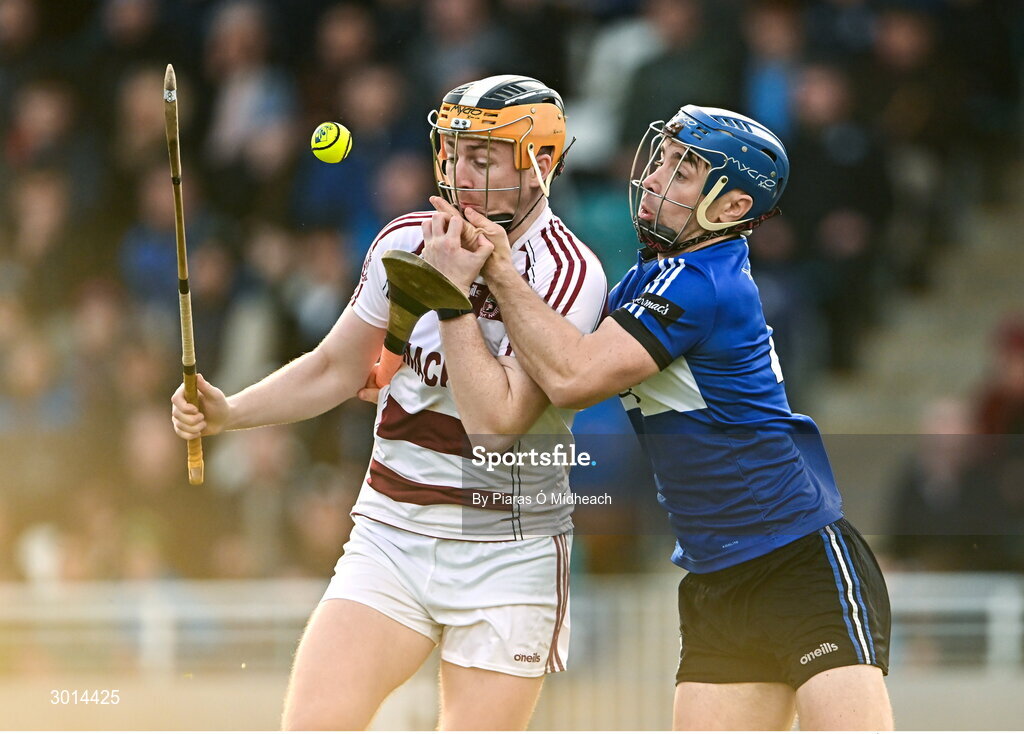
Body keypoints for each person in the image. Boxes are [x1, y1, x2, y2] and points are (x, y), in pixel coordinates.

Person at [427, 104, 893, 730]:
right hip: (715, 578)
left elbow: (571, 378)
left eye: (685, 170)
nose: (654, 178)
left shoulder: (701, 281)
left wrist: (501, 268)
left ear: (729, 209)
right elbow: (545, 363)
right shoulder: (645, 282)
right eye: (663, 159)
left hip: (798, 563)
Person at [170, 75, 606, 730]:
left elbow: (496, 424)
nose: (458, 174)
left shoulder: (569, 274)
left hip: (505, 548)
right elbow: (335, 368)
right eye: (452, 153)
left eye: (481, 158)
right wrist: (230, 411)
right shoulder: (404, 240)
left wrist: (451, 298)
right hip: (391, 533)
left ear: (540, 164)